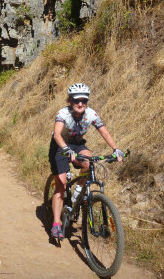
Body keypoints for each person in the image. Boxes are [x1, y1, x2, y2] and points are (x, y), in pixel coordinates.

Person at [48, 83, 124, 239]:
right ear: (70, 100)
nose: (80, 103)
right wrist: (66, 150)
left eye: (84, 100)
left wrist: (116, 149)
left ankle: (77, 193)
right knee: (61, 185)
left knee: (88, 163)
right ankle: (56, 223)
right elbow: (57, 134)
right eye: (77, 100)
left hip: (77, 144)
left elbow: (104, 132)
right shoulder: (63, 113)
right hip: (60, 146)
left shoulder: (91, 114)